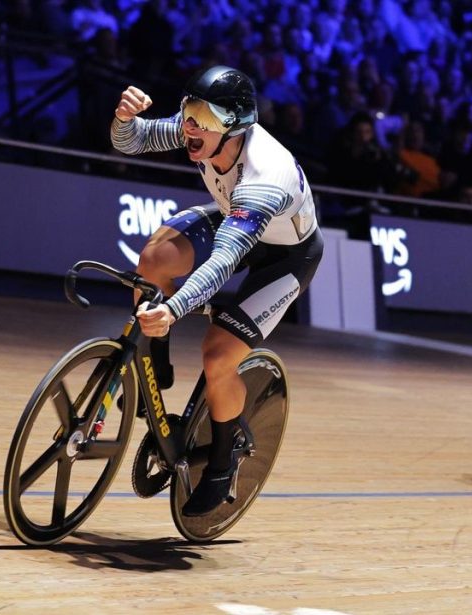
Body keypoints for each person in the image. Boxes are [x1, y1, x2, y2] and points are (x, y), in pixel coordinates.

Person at [111, 65, 323, 516]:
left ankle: (223, 462)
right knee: (154, 261)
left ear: (235, 127)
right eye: (188, 111)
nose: (190, 125)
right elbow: (132, 141)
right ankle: (155, 368)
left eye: (202, 118)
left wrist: (174, 308)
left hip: (285, 257)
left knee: (217, 355)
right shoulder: (204, 127)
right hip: (235, 217)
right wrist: (125, 120)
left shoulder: (267, 175)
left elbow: (223, 261)